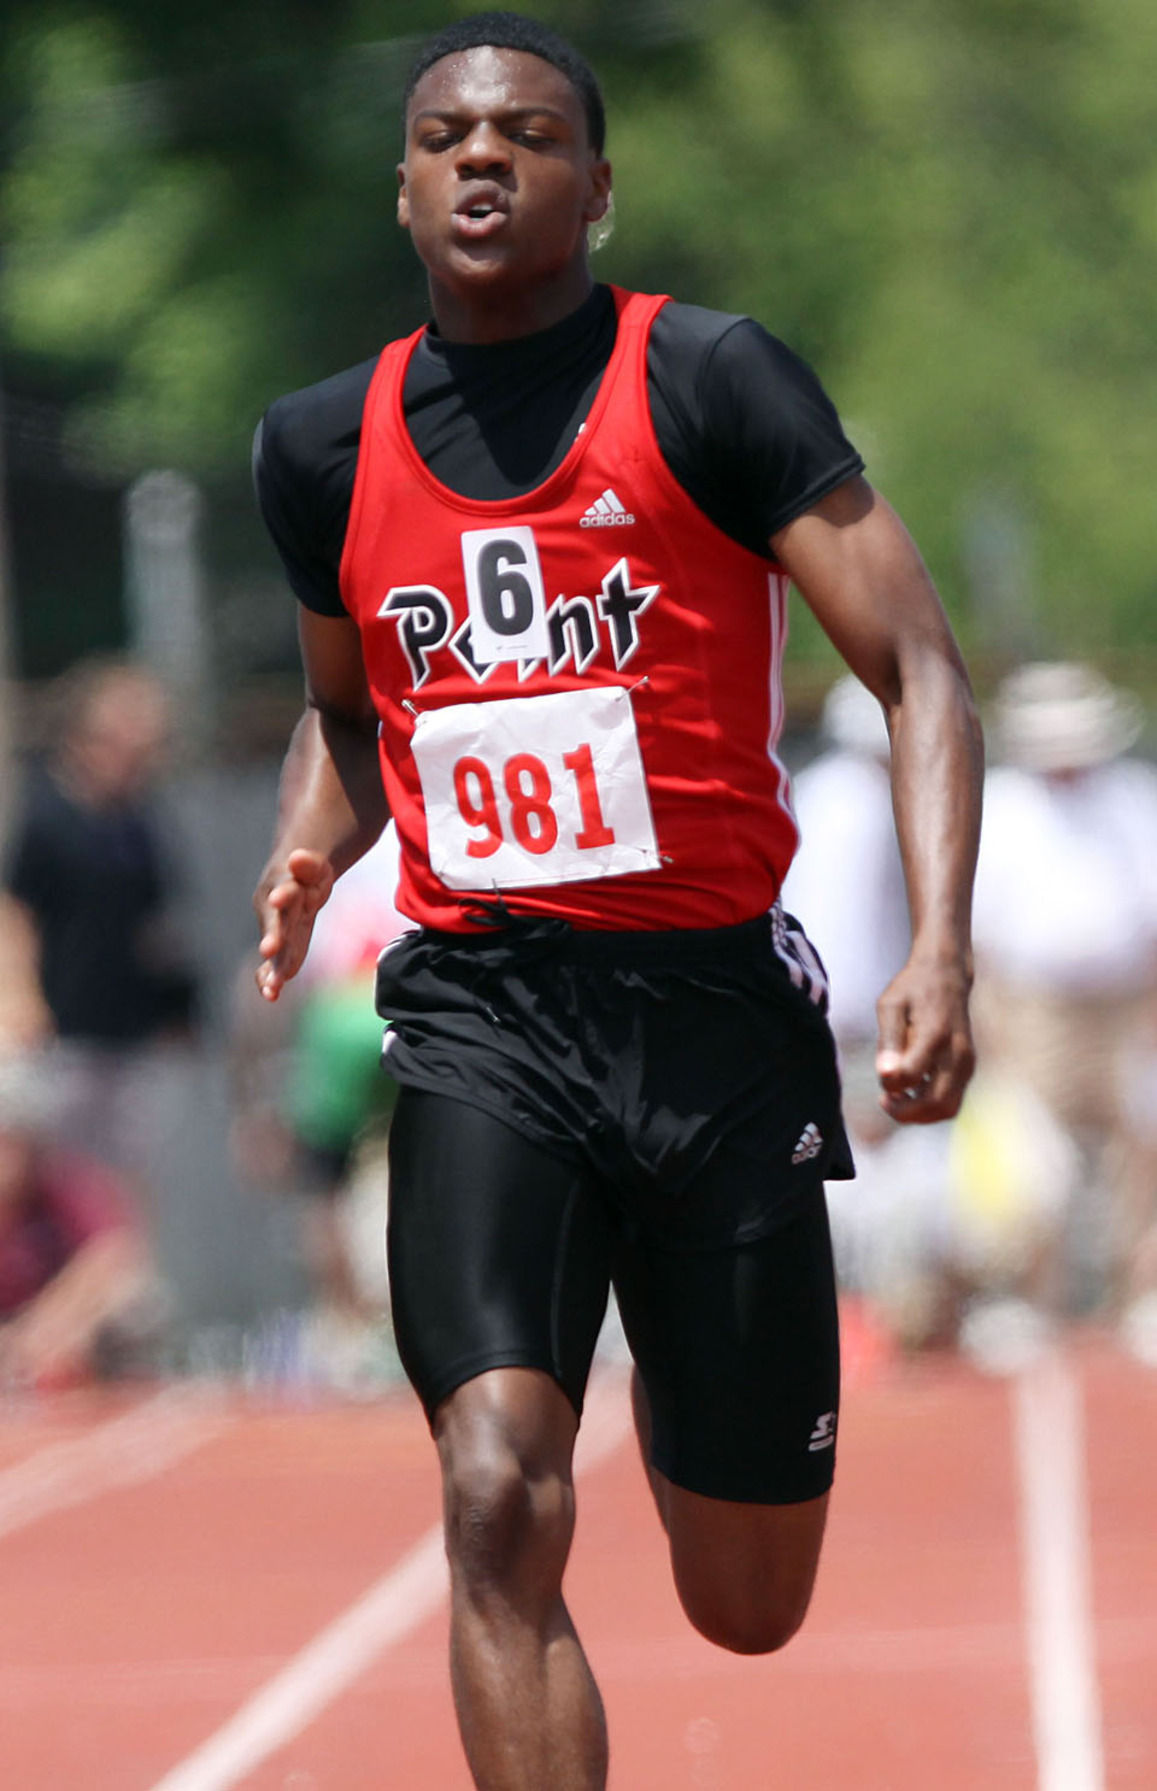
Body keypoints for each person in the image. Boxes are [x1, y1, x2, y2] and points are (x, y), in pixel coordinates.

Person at [252, 14, 982, 1787]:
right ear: (405, 184)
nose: (483, 158)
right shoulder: (324, 446)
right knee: (496, 1489)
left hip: (713, 1022)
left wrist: (939, 951)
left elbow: (921, 670)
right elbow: (353, 715)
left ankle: (679, 1359)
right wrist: (310, 847)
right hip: (482, 1020)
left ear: (597, 182)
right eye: (446, 135)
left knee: (747, 1600)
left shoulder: (708, 383)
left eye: (526, 132)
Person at [972, 661, 1157, 1348]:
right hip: (1031, 1005)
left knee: (1138, 1154)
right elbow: (980, 926)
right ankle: (1029, 1297)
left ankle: (1138, 1292)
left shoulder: (1134, 798)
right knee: (1028, 1154)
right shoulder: (1002, 805)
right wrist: (988, 1021)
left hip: (1124, 1002)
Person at [1, 657, 201, 1184]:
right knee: (60, 1177)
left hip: (131, 1032)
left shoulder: (141, 825)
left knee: (127, 1179)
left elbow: (157, 928)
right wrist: (19, 994)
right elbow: (17, 911)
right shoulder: (49, 819)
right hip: (63, 1032)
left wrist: (177, 1006)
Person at [0, 1053, 159, 1392]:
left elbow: (115, 1252)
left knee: (133, 1301)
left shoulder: (61, 1183)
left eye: (11, 1141)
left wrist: (47, 1323)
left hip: (45, 1327)